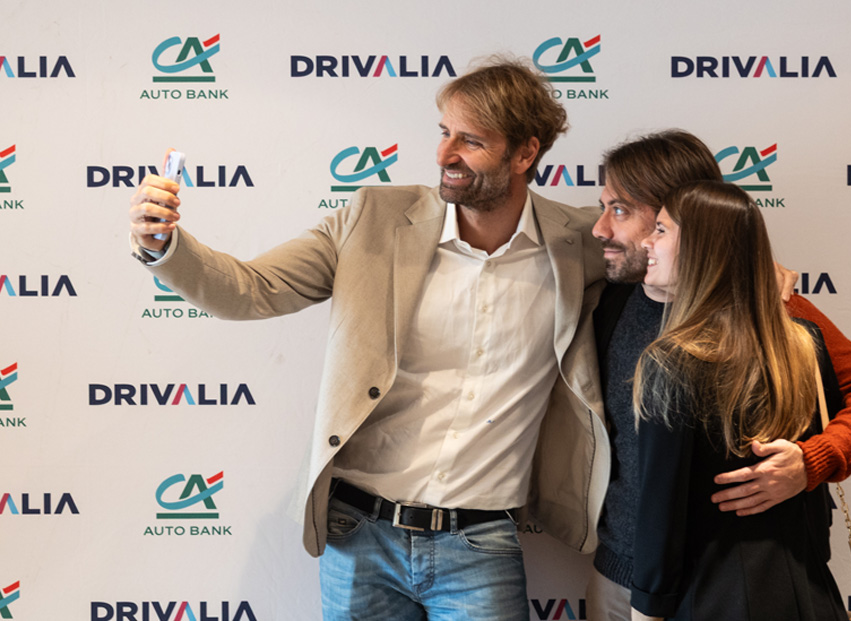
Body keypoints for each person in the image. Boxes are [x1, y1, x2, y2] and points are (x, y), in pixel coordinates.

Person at [127, 58, 610, 621]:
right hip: (359, 535)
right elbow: (252, 289)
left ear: (525, 153)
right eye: (444, 132)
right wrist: (163, 244)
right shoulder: (373, 219)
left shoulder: (582, 243)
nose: (445, 154)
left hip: (482, 543)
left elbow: (676, 259)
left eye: (471, 141)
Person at [587, 130, 851, 620]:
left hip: (728, 587)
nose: (600, 228)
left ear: (682, 215)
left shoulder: (771, 311)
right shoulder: (611, 302)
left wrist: (811, 461)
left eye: (620, 210)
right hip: (618, 576)